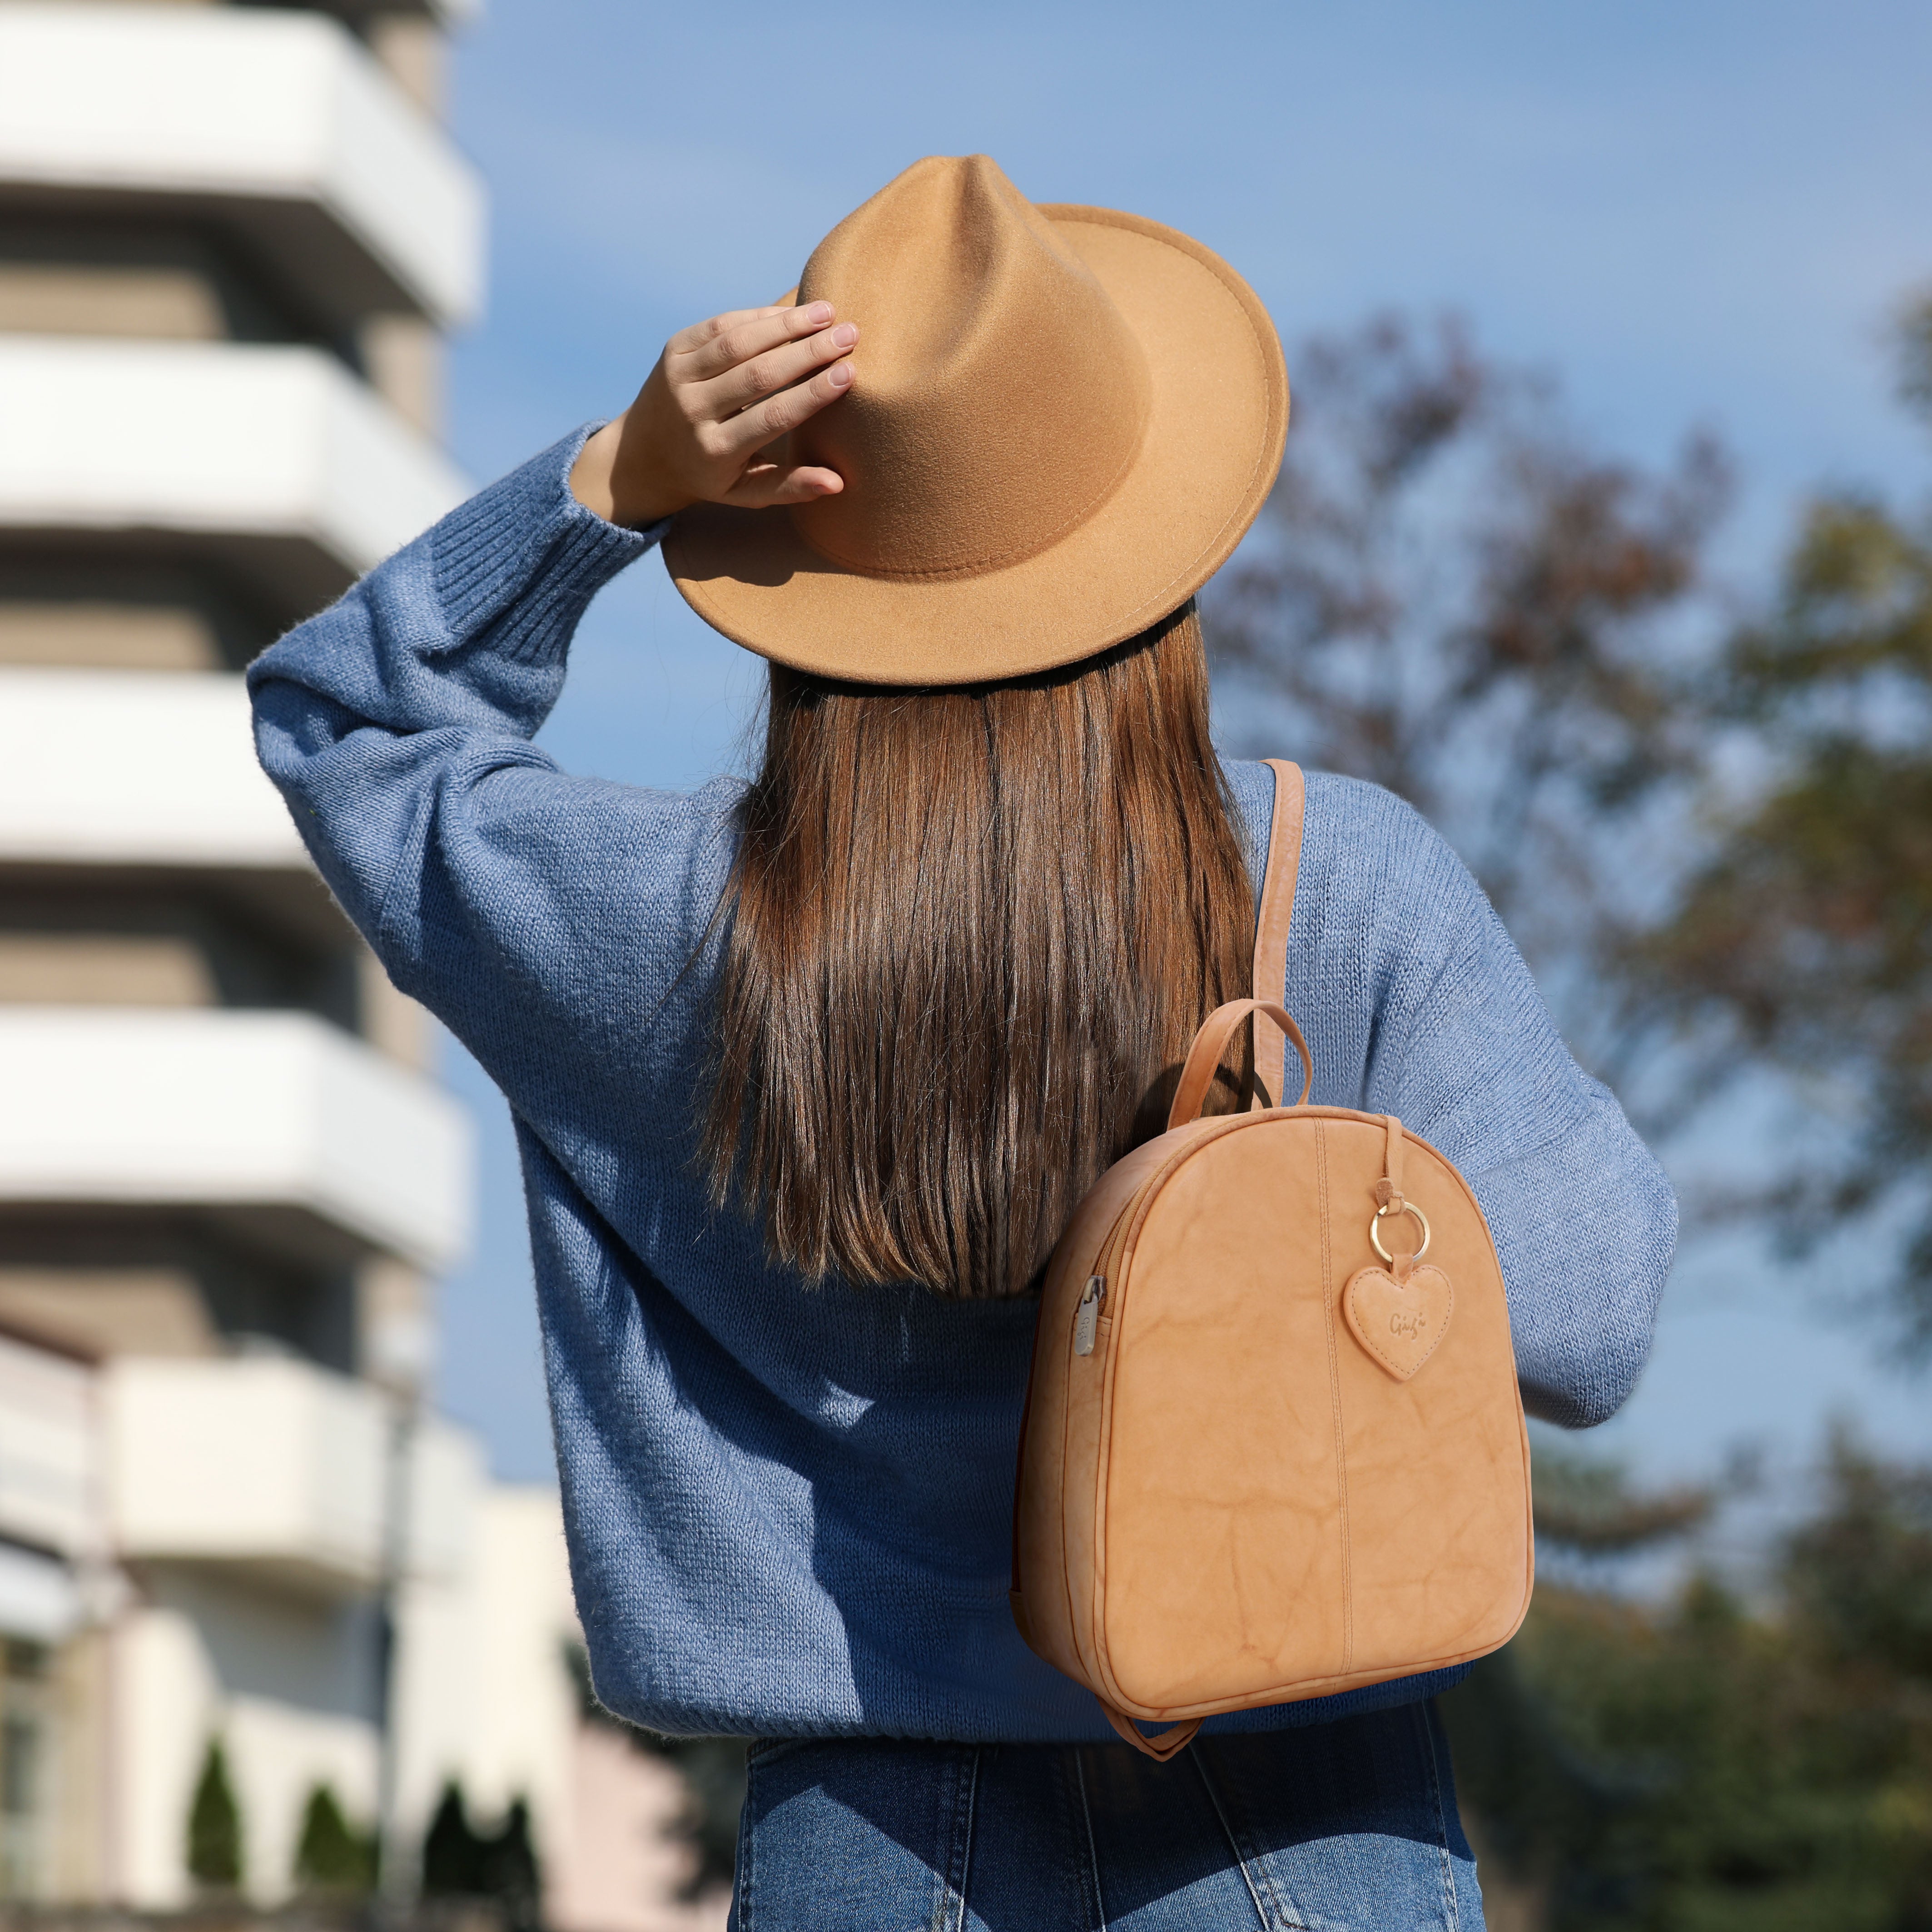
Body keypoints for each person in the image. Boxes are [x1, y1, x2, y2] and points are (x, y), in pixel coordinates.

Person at [251, 156, 1673, 1930]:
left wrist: (612, 479)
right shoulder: (1340, 883)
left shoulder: (658, 924)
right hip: (1305, 1798)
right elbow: (1589, 1316)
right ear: (1156, 540)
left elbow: (347, 720)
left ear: (802, 577)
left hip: (865, 1829)